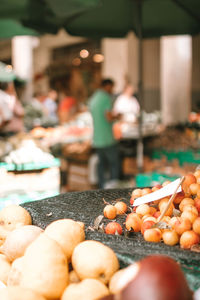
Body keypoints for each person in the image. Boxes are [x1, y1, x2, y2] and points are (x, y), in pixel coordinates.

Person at [89, 78, 120, 189]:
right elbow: (108, 117)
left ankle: (101, 187)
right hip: (107, 138)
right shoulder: (106, 98)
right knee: (113, 163)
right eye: (112, 87)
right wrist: (117, 116)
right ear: (107, 86)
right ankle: (113, 186)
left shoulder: (94, 98)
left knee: (101, 164)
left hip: (97, 138)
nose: (112, 89)